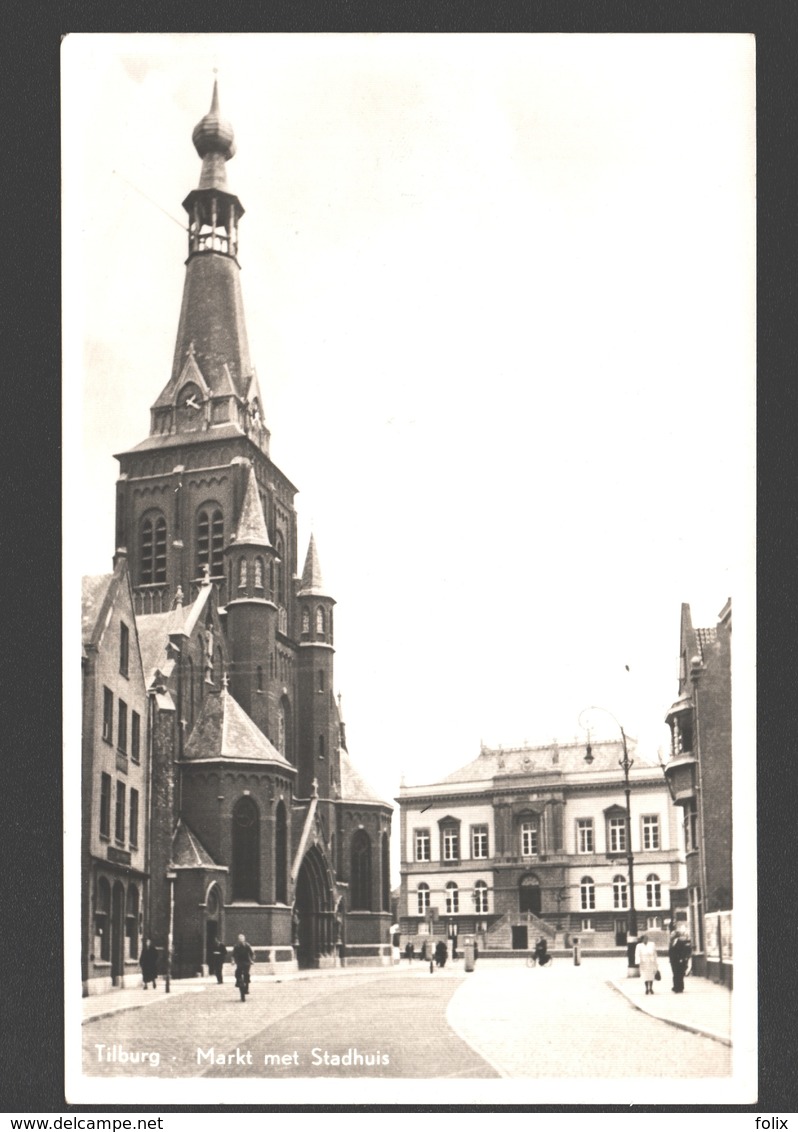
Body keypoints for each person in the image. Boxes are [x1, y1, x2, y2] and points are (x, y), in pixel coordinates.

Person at [669, 923, 692, 993]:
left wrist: (682, 959)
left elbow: (683, 951)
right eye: (671, 934)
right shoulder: (671, 942)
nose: (671, 935)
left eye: (672, 934)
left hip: (679, 960)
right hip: (673, 961)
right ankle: (675, 986)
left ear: (676, 935)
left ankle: (680, 987)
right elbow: (670, 951)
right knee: (675, 973)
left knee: (679, 974)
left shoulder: (680, 942)